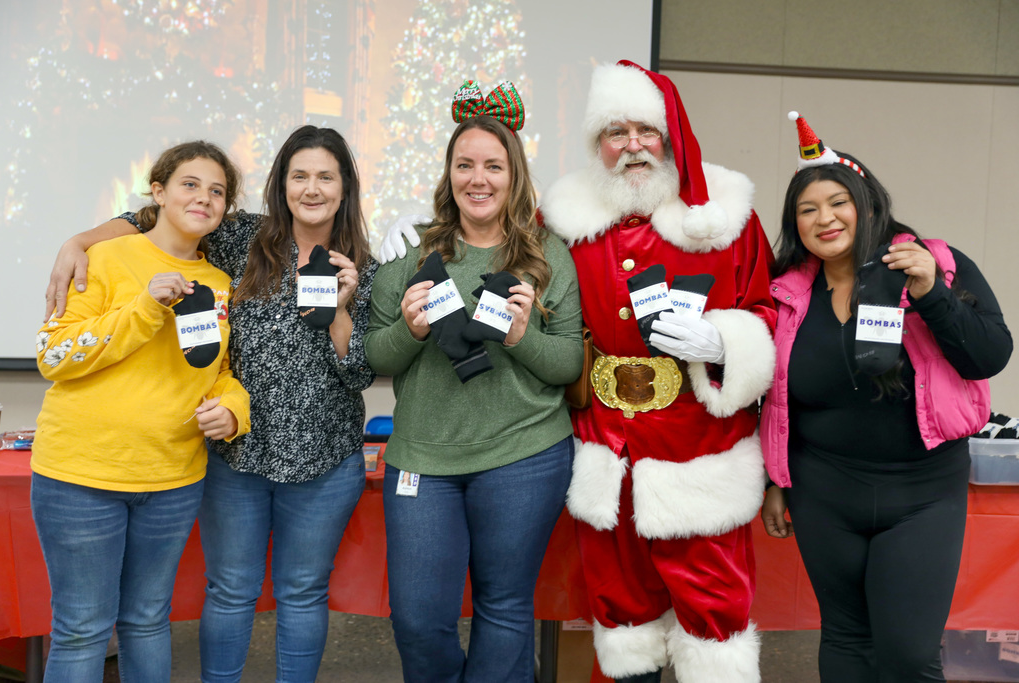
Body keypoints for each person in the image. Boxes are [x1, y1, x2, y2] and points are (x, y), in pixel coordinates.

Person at [378, 61, 777, 683]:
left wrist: (725, 342)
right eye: (615, 132)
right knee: (621, 623)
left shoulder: (725, 220)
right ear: (598, 145)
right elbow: (490, 225)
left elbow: (767, 311)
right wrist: (419, 236)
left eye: (645, 129)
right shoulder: (565, 223)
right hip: (606, 445)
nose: (632, 145)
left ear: (671, 134)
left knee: (713, 621)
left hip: (697, 449)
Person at [44, 125, 377, 683]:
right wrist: (76, 242)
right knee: (230, 588)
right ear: (282, 184)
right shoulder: (242, 238)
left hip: (325, 455)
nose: (312, 188)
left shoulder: (364, 267)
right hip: (235, 452)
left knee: (302, 591)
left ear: (345, 187)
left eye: (326, 176)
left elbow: (360, 371)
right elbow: (150, 217)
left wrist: (342, 308)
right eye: (299, 175)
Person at [760, 112, 1012, 682]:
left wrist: (930, 294)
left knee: (906, 654)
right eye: (807, 210)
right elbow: (776, 397)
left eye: (837, 202)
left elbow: (989, 355)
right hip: (823, 489)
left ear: (868, 204)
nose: (824, 219)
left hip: (922, 491)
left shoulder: (933, 262)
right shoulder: (785, 291)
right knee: (846, 642)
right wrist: (776, 480)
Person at [364, 80, 584, 683]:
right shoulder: (411, 252)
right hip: (424, 458)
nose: (478, 179)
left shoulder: (547, 254)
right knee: (417, 619)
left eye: (493, 165)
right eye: (465, 165)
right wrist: (408, 330)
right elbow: (373, 356)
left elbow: (567, 364)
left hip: (524, 453)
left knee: (504, 609)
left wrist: (520, 336)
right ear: (448, 173)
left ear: (514, 177)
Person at [31, 141, 251, 683]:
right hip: (82, 476)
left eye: (217, 191)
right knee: (82, 629)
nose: (204, 198)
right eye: (190, 184)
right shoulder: (101, 259)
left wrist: (233, 409)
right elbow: (53, 357)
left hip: (173, 481)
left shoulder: (220, 284)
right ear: (158, 191)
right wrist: (144, 308)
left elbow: (216, 371)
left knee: (150, 621)